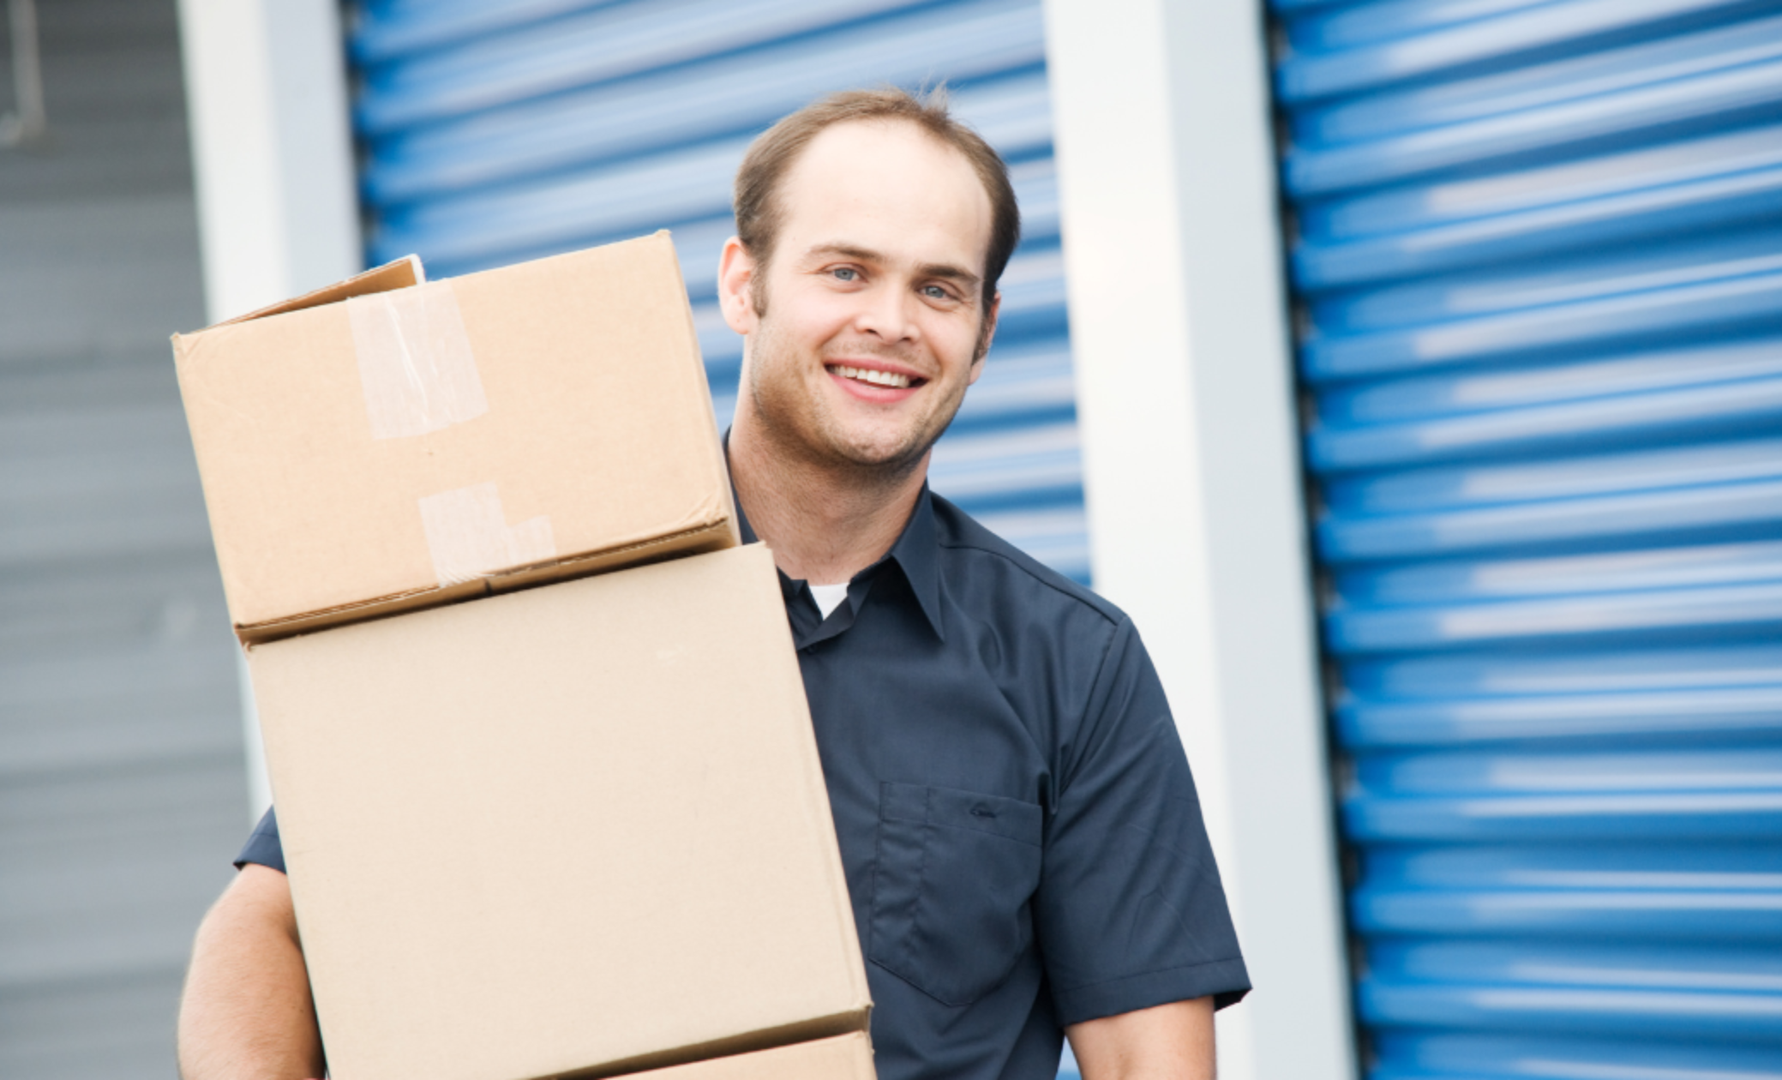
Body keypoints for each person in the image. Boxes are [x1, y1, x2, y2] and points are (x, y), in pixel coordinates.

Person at [177, 88, 1249, 1080]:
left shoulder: (1072, 667)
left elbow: (1148, 1059)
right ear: (744, 285)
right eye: (845, 270)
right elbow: (267, 924)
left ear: (984, 335)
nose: (891, 321)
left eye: (939, 288)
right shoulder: (540, 584)